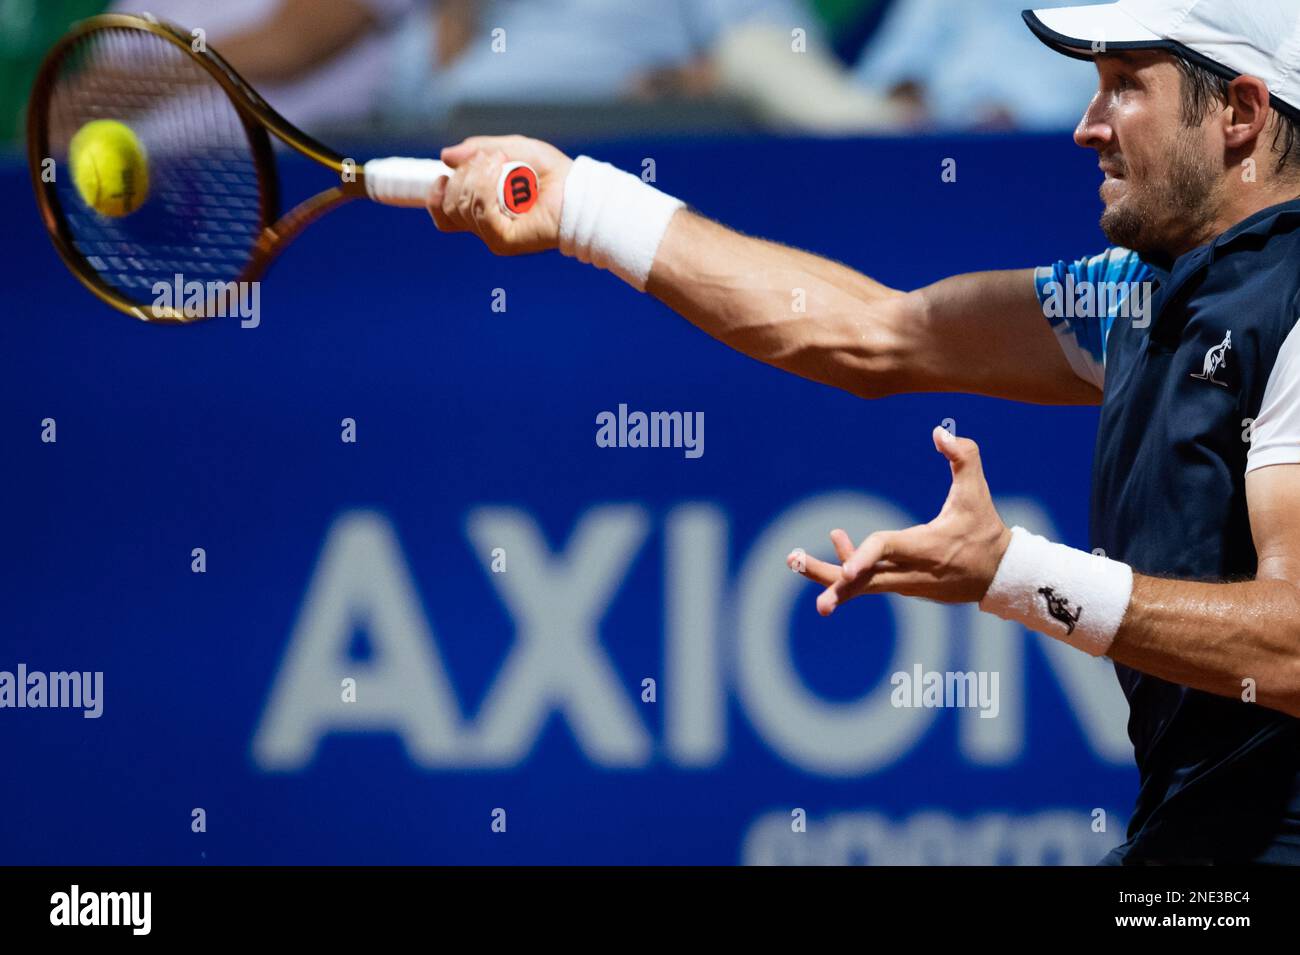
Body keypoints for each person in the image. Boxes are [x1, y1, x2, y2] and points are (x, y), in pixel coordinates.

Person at [421, 0, 1300, 865]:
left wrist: (1018, 573)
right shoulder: (1135, 297)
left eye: (1122, 87)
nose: (1085, 126)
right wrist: (583, 206)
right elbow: (876, 332)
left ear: (1240, 113)